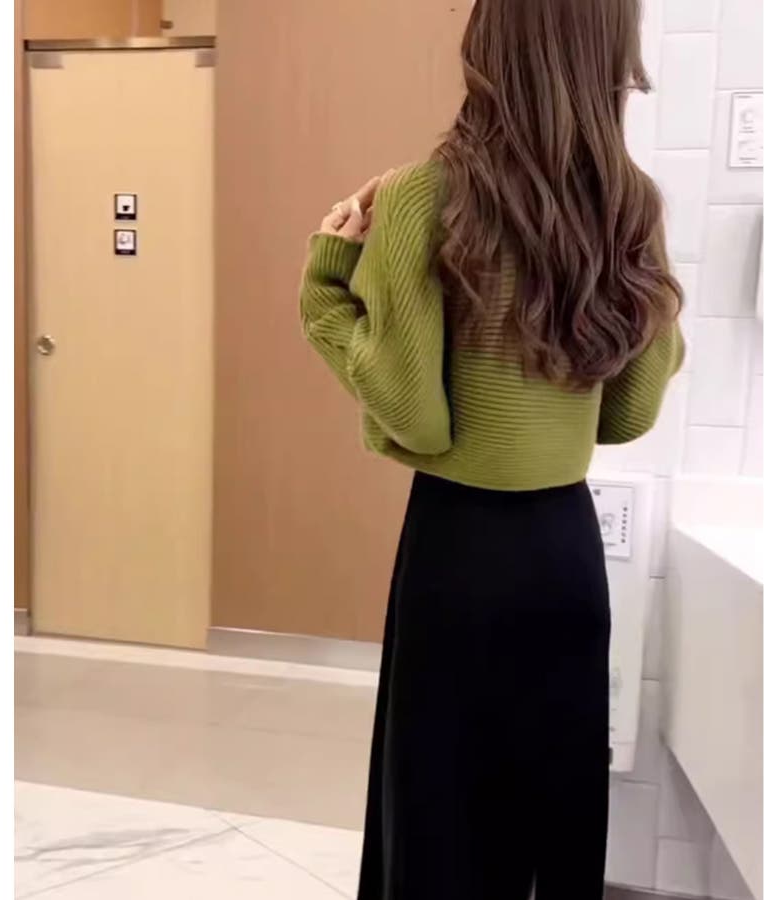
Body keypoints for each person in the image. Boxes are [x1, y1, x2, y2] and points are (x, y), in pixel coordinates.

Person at [299, 0, 684, 897]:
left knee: (440, 810)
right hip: (565, 554)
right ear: (611, 53)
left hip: (459, 551)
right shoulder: (629, 204)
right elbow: (625, 416)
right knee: (552, 812)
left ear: (488, 42)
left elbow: (416, 418)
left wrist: (326, 283)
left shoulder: (422, 196)